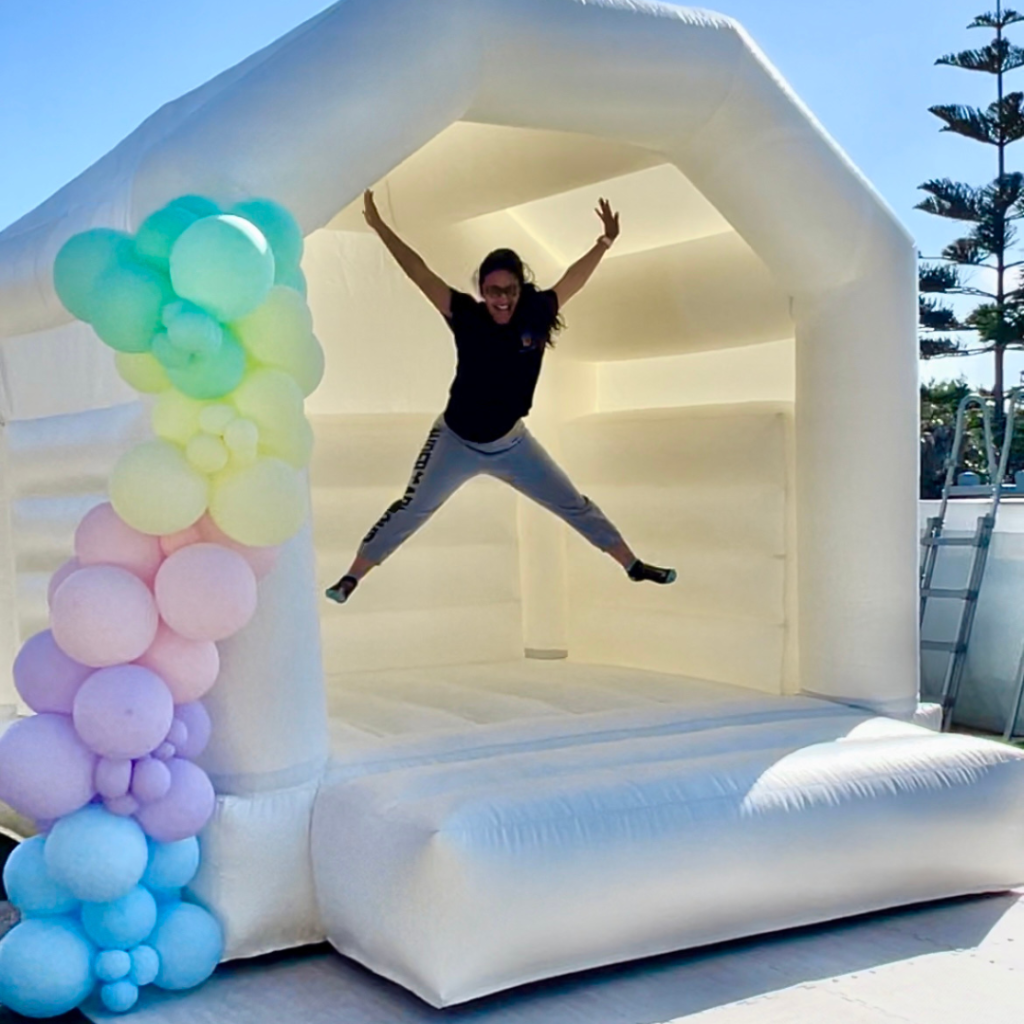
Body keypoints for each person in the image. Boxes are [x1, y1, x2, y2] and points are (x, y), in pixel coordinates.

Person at [326, 190, 676, 604]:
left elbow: (573, 279)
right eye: (493, 291)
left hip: (512, 443)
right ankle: (351, 577)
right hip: (455, 440)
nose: (502, 299)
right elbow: (419, 272)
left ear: (520, 287)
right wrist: (381, 228)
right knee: (412, 508)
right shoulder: (466, 316)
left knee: (573, 503)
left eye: (509, 290)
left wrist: (605, 242)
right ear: (482, 291)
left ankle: (632, 565)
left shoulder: (537, 312)